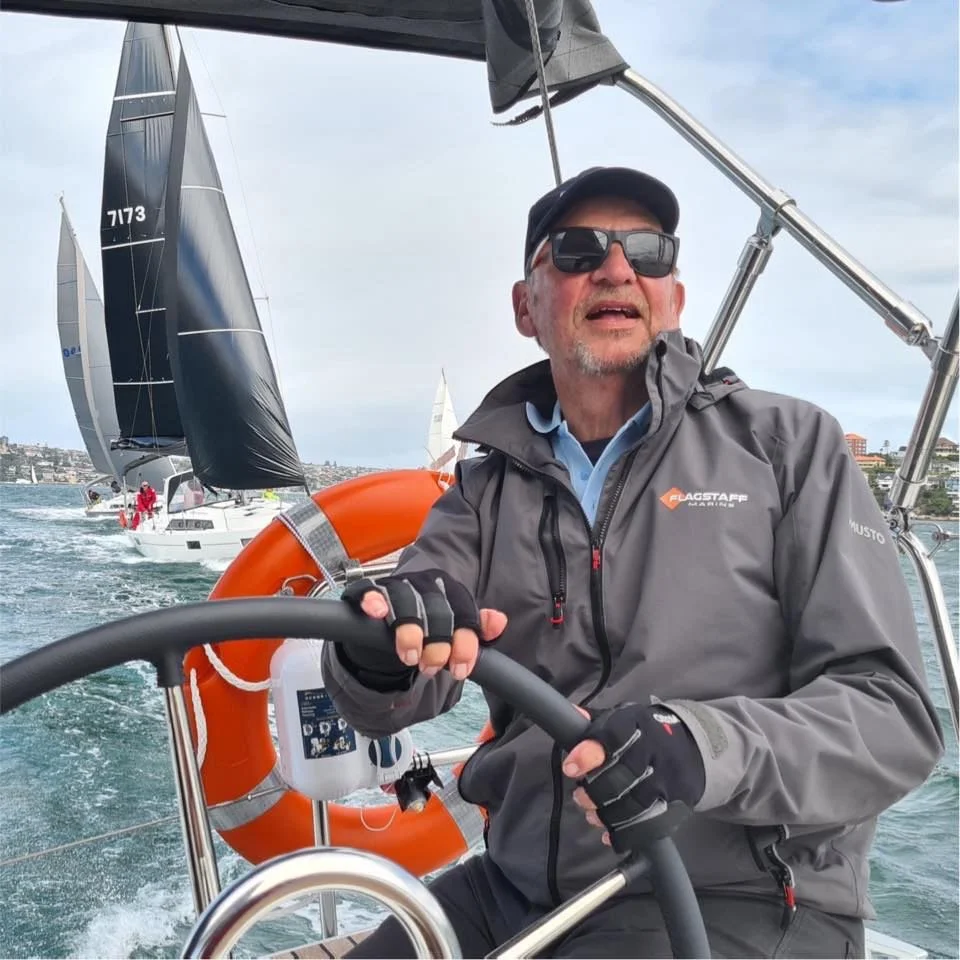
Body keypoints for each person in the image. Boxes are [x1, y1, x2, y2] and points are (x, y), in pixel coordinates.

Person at [320, 167, 943, 958]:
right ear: (526, 306)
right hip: (513, 887)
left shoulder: (788, 448)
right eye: (578, 250)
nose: (617, 269)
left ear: (673, 296)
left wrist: (700, 743)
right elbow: (397, 690)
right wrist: (380, 651)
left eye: (647, 252)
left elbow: (891, 718)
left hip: (735, 897)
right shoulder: (481, 490)